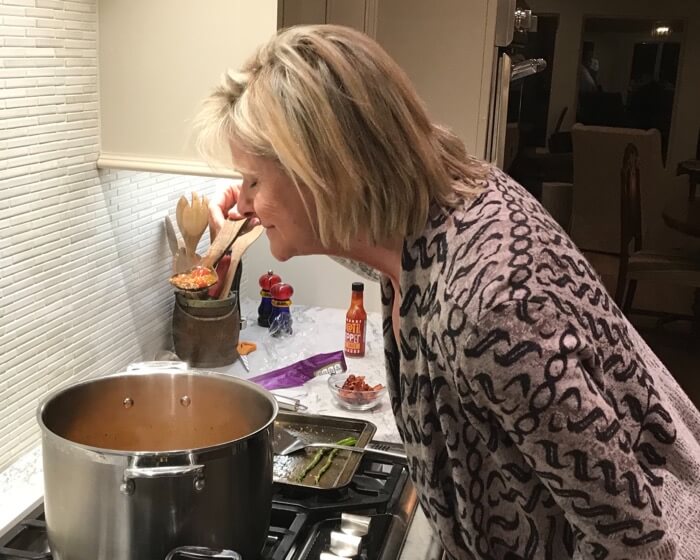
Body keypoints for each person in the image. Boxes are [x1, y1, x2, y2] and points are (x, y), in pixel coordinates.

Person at [196, 25, 700, 560]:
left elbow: (635, 542)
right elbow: (365, 242)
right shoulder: (439, 211)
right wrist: (267, 215)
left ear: (323, 171)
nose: (243, 202)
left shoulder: (491, 311)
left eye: (252, 180)